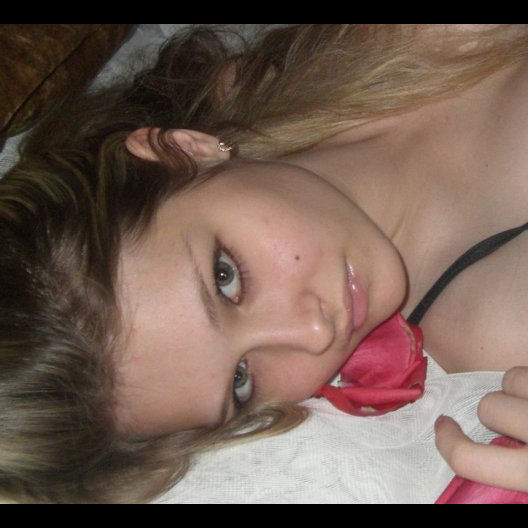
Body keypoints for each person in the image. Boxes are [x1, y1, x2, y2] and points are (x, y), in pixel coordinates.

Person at [1, 24, 528, 503]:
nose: (313, 332)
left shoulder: (350, 53)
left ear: (182, 151)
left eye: (226, 278)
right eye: (241, 381)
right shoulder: (499, 334)